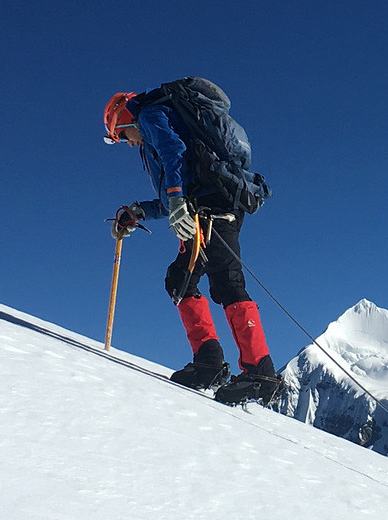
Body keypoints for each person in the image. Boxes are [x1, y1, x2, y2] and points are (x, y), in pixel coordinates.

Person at [103, 81, 283, 406]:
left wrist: (174, 200)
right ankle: (211, 362)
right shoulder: (161, 118)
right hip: (214, 203)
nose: (126, 144)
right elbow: (181, 186)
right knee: (182, 279)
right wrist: (141, 211)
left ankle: (254, 369)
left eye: (120, 135)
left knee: (225, 282)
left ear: (124, 119)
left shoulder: (148, 116)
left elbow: (175, 154)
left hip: (211, 208)